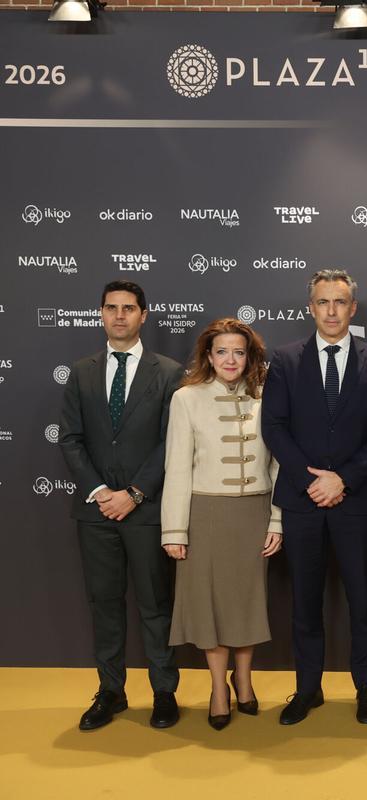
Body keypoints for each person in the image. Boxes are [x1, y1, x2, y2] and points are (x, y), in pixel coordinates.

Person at [261, 269, 367, 726]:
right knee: (304, 601)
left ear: (353, 308)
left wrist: (343, 479)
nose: (332, 311)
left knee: (363, 601)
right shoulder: (283, 360)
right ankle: (307, 689)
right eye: (323, 302)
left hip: (356, 501)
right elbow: (274, 427)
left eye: (340, 302)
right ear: (311, 308)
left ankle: (366, 688)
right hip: (302, 503)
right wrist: (311, 481)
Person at [58, 280, 184, 731]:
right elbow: (71, 440)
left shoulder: (168, 372)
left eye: (128, 308)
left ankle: (164, 692)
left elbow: (172, 442)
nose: (119, 316)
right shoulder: (81, 371)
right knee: (105, 604)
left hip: (146, 511)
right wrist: (101, 493)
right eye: (111, 308)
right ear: (101, 313)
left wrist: (133, 494)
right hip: (95, 513)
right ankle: (111, 691)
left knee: (155, 604)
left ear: (143, 315)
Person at [160, 318, 283, 730]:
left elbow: (279, 464)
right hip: (205, 515)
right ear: (208, 356)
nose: (230, 359)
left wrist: (278, 519)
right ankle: (218, 688)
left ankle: (243, 680)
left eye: (239, 351)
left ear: (250, 357)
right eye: (221, 351)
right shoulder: (186, 399)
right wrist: (174, 530)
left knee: (246, 601)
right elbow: (176, 467)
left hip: (254, 512)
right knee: (210, 606)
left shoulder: (267, 396)